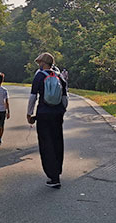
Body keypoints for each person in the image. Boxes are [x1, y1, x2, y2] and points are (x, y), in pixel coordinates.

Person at [26, 52, 68, 189]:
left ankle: (53, 176)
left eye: (39, 63)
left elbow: (33, 96)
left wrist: (29, 113)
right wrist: (61, 111)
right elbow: (64, 99)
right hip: (57, 115)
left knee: (46, 145)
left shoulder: (39, 76)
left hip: (44, 114)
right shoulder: (59, 76)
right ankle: (57, 172)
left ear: (43, 63)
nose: (38, 65)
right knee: (57, 143)